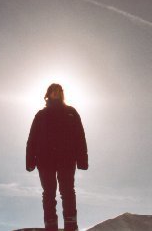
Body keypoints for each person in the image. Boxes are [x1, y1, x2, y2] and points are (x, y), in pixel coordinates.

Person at [26, 83, 88, 231]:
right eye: (53, 91)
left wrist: (82, 160)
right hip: (45, 159)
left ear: (62, 94)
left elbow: (80, 136)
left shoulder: (71, 112)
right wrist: (30, 161)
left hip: (67, 158)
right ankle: (50, 226)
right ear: (48, 94)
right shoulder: (41, 115)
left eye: (59, 91)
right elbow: (32, 138)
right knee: (48, 193)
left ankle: (71, 226)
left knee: (67, 191)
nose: (56, 93)